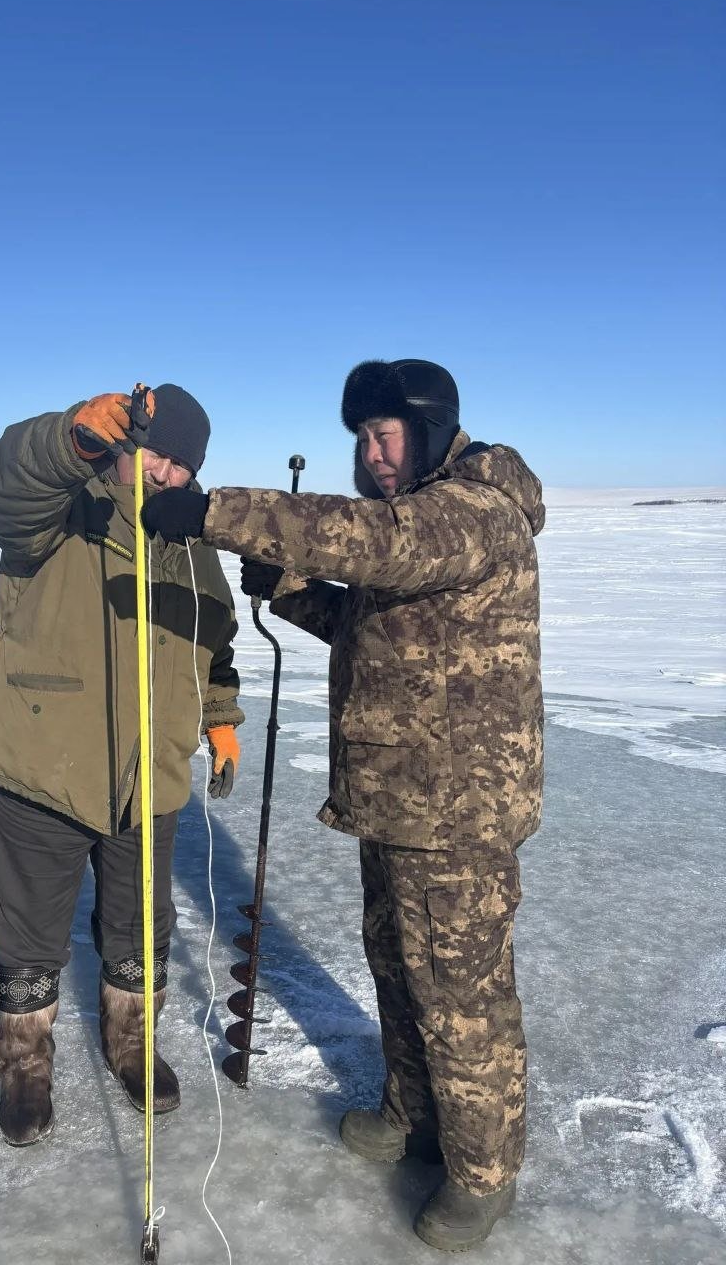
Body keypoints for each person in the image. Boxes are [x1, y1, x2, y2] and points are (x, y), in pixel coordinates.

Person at [141, 359, 544, 1251]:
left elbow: (378, 544)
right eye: (361, 439)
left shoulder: (472, 510)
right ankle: (416, 1113)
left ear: (430, 431)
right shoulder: (428, 521)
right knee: (398, 966)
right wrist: (287, 589)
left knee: (461, 994)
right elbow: (372, 624)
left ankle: (484, 1173)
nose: (372, 454)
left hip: (458, 810)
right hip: (400, 796)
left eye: (385, 434)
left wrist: (211, 513)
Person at [0, 383, 244, 1145]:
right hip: (42, 763)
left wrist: (219, 718)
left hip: (149, 776)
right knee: (27, 933)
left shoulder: (192, 542)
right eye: (156, 454)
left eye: (182, 465)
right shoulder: (61, 511)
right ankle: (24, 1067)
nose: (165, 473)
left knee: (140, 926)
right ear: (125, 445)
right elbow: (5, 482)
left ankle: (131, 1043)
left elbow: (215, 643)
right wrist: (71, 440)